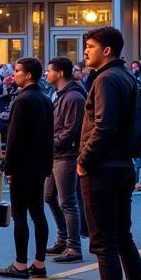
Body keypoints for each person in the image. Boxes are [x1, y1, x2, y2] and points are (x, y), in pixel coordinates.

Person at [74, 27, 141, 280]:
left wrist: (83, 161)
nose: (85, 52)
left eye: (90, 47)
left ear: (107, 50)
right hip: (123, 168)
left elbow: (104, 126)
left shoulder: (105, 79)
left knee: (104, 244)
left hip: (102, 170)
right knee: (122, 238)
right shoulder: (126, 78)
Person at [0, 58, 54, 279]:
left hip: (22, 166)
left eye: (18, 71)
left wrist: (7, 166)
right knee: (38, 212)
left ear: (29, 75)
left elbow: (14, 138)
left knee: (20, 214)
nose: (14, 75)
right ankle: (39, 263)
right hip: (40, 165)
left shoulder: (23, 100)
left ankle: (20, 264)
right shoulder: (45, 99)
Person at [44, 57, 86, 262]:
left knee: (67, 201)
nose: (46, 73)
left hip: (66, 155)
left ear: (60, 73)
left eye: (49, 70)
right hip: (56, 153)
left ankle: (74, 247)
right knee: (49, 197)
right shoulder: (59, 95)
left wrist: (49, 140)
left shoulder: (73, 97)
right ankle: (63, 239)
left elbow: (72, 130)